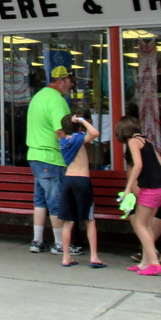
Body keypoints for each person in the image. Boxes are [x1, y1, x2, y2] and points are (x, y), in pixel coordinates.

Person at [27, 65, 81, 255]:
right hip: (51, 158)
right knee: (56, 199)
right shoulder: (57, 101)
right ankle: (60, 244)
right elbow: (61, 131)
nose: (71, 85)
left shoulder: (38, 96)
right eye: (69, 81)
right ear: (60, 82)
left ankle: (37, 240)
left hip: (35, 156)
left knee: (40, 200)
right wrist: (72, 152)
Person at [117, 115, 161, 276]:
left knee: (140, 223)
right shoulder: (146, 140)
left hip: (150, 188)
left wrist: (128, 188)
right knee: (147, 224)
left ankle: (154, 263)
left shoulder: (132, 142)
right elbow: (160, 163)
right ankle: (144, 263)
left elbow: (138, 165)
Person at [58, 114, 106, 268]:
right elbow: (95, 133)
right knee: (89, 220)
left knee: (68, 221)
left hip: (68, 180)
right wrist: (82, 120)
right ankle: (94, 256)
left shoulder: (63, 141)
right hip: (82, 180)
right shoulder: (78, 139)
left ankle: (66, 256)